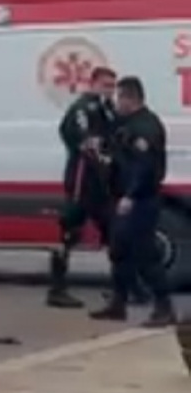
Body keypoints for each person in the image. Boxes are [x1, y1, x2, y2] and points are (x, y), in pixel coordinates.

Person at [89, 77, 175, 326]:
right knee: (119, 252)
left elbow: (145, 167)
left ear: (130, 99)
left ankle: (164, 307)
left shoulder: (147, 127)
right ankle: (118, 303)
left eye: (119, 98)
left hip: (140, 200)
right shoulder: (125, 124)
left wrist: (131, 195)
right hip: (121, 197)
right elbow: (116, 149)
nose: (116, 103)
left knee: (145, 254)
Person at [48, 67, 127, 308]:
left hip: (101, 182)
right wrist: (101, 154)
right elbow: (81, 140)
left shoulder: (108, 109)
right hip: (82, 180)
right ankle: (57, 289)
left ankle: (119, 290)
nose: (110, 90)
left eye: (113, 86)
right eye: (105, 85)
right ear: (93, 83)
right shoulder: (82, 108)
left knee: (114, 233)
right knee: (70, 232)